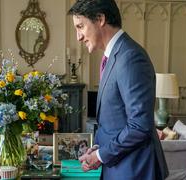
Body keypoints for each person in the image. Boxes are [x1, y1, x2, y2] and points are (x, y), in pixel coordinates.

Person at [68, 0, 169, 179]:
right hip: (120, 166)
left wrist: (99, 156)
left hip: (135, 170)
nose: (78, 37)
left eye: (81, 27)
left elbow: (139, 126)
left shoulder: (130, 57)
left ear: (100, 19)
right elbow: (116, 119)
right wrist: (99, 148)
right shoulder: (114, 55)